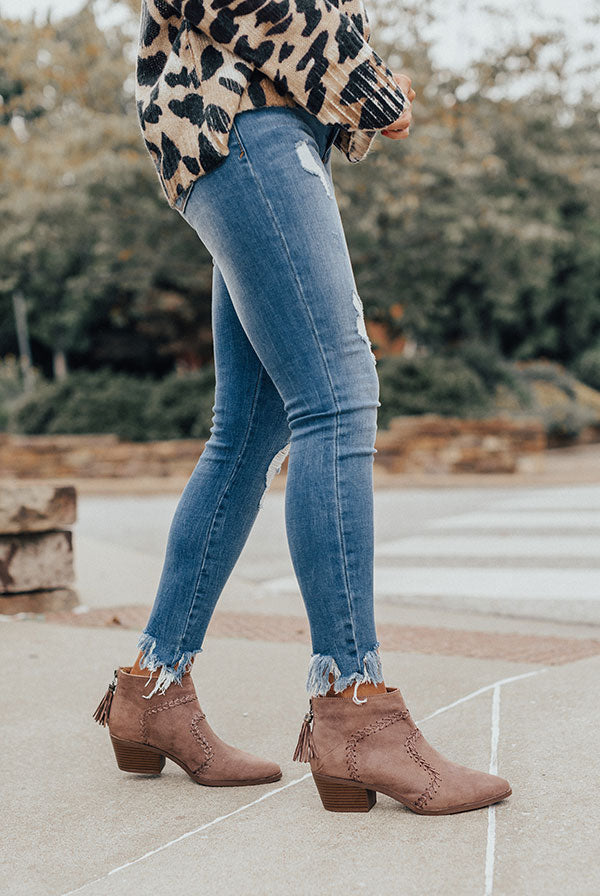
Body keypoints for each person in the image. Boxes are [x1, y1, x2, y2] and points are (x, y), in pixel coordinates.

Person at [93, 0, 512, 814]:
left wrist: (362, 81)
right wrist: (369, 86)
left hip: (242, 128)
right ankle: (356, 710)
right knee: (337, 400)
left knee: (251, 429)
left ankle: (153, 687)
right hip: (246, 123)